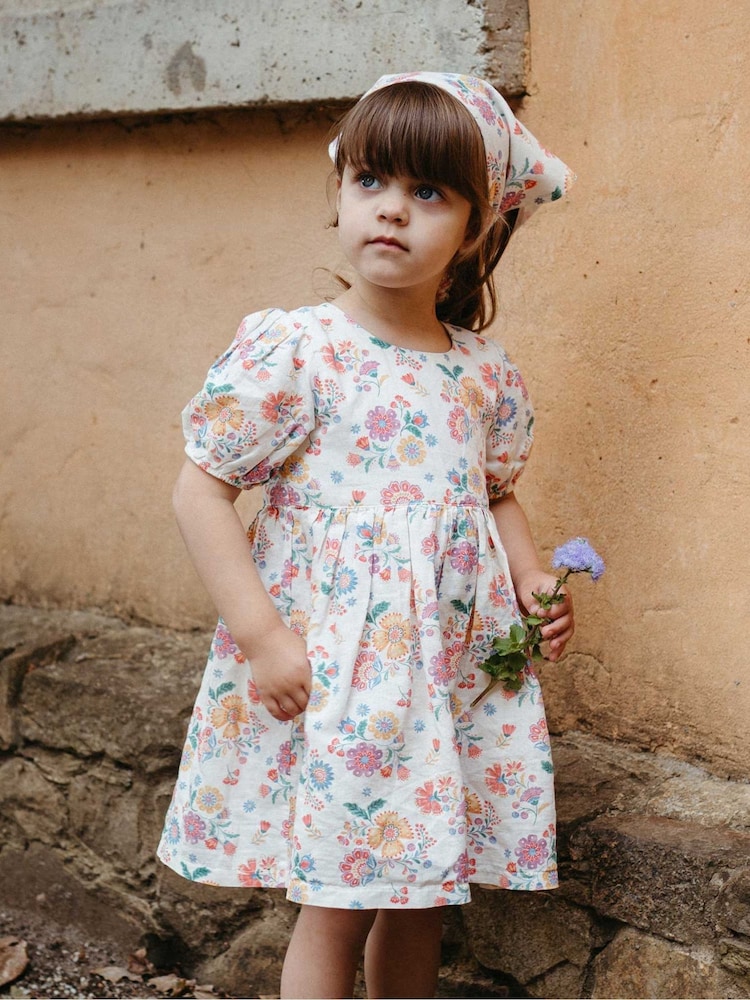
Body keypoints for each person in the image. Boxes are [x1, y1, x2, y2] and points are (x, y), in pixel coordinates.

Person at [158, 71, 576, 999]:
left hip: (448, 680)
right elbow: (200, 492)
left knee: (421, 894)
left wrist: (534, 579)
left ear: (475, 229)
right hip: (345, 673)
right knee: (342, 896)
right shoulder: (302, 350)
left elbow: (494, 495)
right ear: (339, 191)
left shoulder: (481, 374)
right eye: (371, 182)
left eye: (428, 193)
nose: (392, 210)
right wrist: (264, 639)